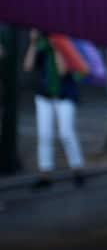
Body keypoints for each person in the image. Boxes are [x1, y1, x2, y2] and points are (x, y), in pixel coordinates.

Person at [22, 29, 85, 189]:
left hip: (65, 95)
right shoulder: (41, 46)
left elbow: (63, 71)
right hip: (44, 96)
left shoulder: (65, 43)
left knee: (66, 132)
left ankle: (77, 169)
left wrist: (57, 47)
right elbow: (28, 66)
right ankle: (45, 174)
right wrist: (34, 43)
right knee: (44, 134)